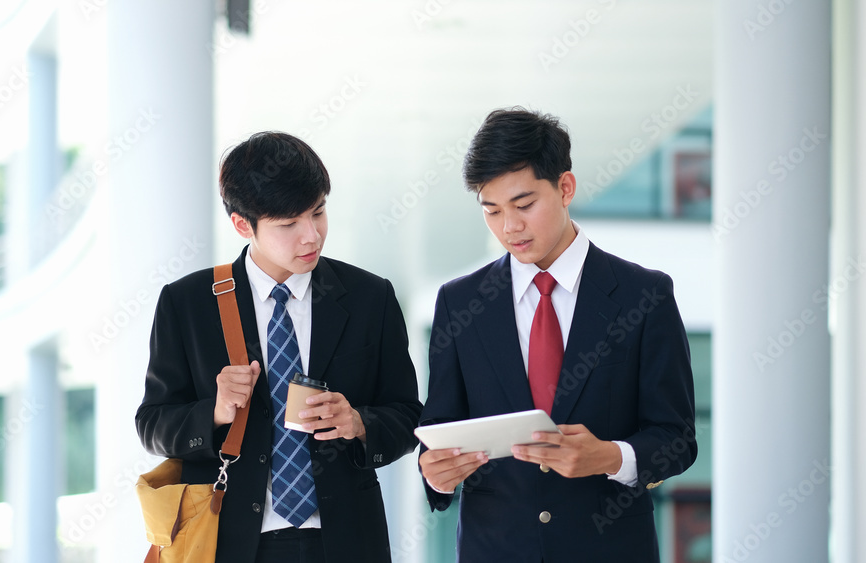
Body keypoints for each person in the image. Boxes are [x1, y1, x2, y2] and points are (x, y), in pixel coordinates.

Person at [418, 108, 697, 562]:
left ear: (565, 188)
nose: (509, 227)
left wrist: (609, 457)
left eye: (524, 205)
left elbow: (677, 439)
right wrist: (435, 472)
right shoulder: (459, 302)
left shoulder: (644, 295)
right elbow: (440, 427)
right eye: (492, 210)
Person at [137, 131, 421, 563]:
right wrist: (214, 411)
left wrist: (359, 423)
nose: (311, 236)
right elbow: (152, 424)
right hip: (230, 542)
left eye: (319, 212)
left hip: (346, 541)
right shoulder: (187, 303)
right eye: (288, 224)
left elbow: (407, 414)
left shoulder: (370, 297)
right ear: (242, 224)